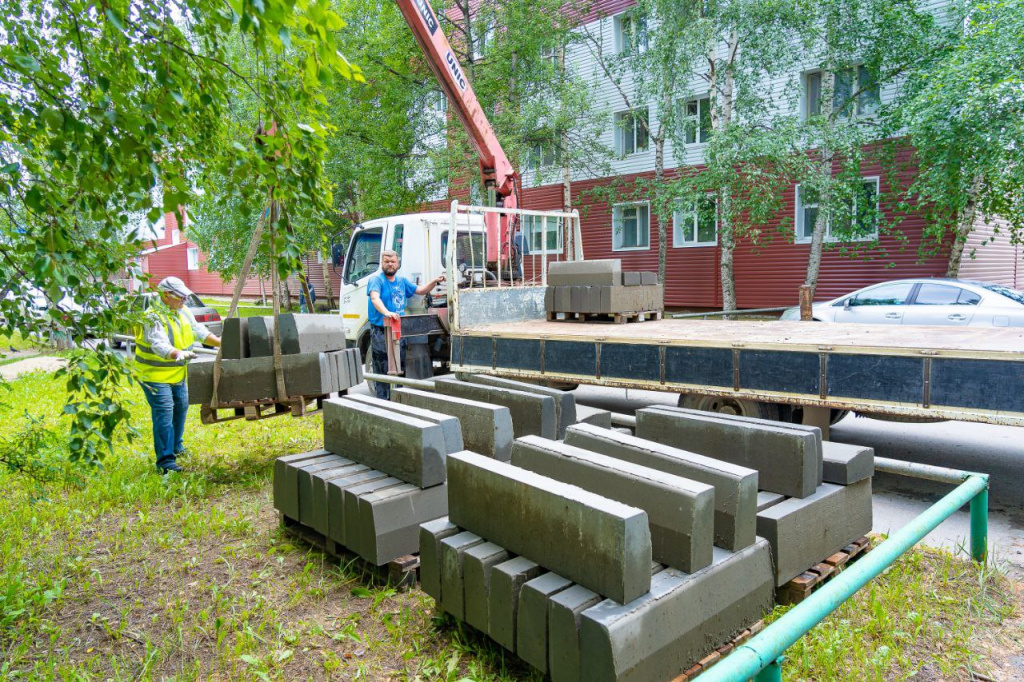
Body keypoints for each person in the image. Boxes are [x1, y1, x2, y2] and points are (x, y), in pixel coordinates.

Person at [135, 277, 222, 474]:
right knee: (164, 413)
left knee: (181, 406)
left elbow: (198, 330)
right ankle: (165, 462)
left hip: (176, 373)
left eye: (185, 296)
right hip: (153, 375)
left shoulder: (182, 310)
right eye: (180, 296)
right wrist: (177, 353)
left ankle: (176, 446)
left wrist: (220, 342)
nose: (184, 300)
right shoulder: (152, 316)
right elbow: (159, 344)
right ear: (166, 295)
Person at [367, 250, 444, 399]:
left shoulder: (402, 281)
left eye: (393, 261)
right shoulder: (376, 280)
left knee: (400, 367)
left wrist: (434, 282)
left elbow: (420, 290)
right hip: (380, 331)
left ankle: (398, 399)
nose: (390, 264)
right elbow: (375, 298)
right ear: (381, 263)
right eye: (387, 261)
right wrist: (386, 312)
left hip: (398, 330)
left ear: (398, 263)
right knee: (381, 369)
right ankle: (383, 401)